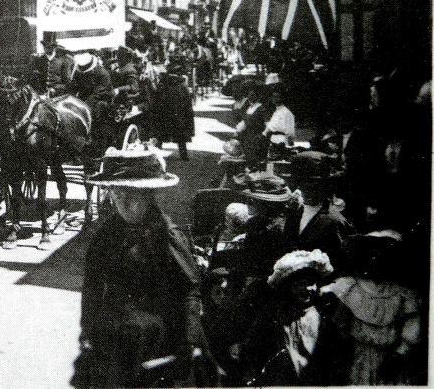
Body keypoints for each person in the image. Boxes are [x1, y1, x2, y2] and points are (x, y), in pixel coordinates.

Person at [72, 150, 215, 388]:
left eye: (132, 196)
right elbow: (92, 288)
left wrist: (190, 340)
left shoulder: (167, 236)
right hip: (114, 334)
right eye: (118, 195)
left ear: (149, 197)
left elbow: (189, 290)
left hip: (157, 337)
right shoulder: (105, 236)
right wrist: (87, 330)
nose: (124, 203)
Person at [323, 230, 422, 385]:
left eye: (383, 254)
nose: (376, 258)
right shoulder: (349, 286)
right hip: (357, 357)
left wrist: (399, 354)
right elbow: (338, 324)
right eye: (371, 253)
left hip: (391, 360)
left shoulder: (402, 293)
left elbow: (412, 326)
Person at [239, 250, 345, 385]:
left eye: (310, 284)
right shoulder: (273, 316)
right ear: (288, 287)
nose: (306, 289)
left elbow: (333, 357)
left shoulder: (323, 318)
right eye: (300, 284)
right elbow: (253, 348)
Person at [283, 152, 353, 273]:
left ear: (325, 186)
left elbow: (342, 265)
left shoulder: (335, 221)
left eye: (316, 186)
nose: (310, 191)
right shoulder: (294, 212)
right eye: (304, 184)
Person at [148, 67, 195, 161]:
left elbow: (156, 101)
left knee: (160, 135)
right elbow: (188, 103)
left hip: (165, 115)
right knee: (180, 137)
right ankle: (184, 155)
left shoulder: (162, 84)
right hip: (178, 115)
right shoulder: (182, 85)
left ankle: (156, 154)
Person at [29, 31, 73, 96]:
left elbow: (67, 83)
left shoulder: (64, 60)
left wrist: (55, 89)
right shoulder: (38, 60)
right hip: (41, 96)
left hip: (58, 95)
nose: (46, 48)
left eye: (50, 46)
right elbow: (33, 79)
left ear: (54, 47)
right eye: (45, 46)